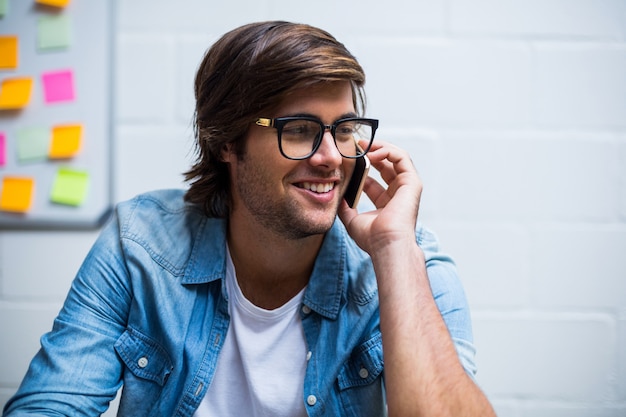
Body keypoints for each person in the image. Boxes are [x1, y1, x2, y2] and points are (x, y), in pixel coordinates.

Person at [3, 21, 496, 417]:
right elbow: (50, 405)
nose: (330, 157)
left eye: (345, 129)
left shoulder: (411, 263)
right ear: (226, 142)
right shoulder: (138, 247)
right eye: (299, 130)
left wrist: (393, 252)